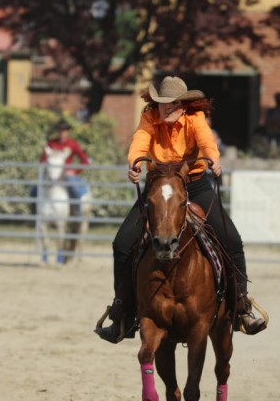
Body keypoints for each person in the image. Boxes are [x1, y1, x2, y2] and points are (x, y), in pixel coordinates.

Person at [95, 76, 267, 343]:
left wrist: (213, 160)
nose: (166, 107)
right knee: (122, 244)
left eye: (173, 103)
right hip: (159, 187)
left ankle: (241, 307)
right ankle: (122, 312)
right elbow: (140, 142)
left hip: (195, 185)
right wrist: (134, 164)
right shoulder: (149, 119)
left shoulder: (195, 119)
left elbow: (207, 142)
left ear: (183, 104)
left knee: (232, 240)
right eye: (162, 102)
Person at [36, 120, 90, 215]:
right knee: (35, 189)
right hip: (50, 174)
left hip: (65, 174)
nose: (62, 133)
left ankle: (77, 214)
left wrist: (74, 172)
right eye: (60, 130)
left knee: (76, 190)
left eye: (65, 130)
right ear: (58, 131)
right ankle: (35, 216)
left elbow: (85, 161)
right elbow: (42, 161)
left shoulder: (73, 144)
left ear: (68, 132)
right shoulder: (51, 144)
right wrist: (46, 169)